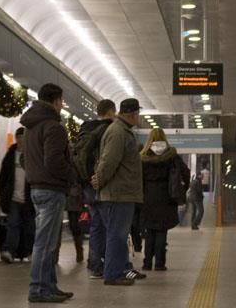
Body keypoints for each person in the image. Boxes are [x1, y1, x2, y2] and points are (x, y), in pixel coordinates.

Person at [21, 83, 75, 303]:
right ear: (55, 101)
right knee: (45, 242)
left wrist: (36, 174)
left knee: (47, 241)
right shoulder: (53, 126)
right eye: (61, 101)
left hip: (36, 188)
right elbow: (53, 160)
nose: (62, 105)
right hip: (51, 189)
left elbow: (24, 159)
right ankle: (38, 289)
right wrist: (71, 174)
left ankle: (50, 285)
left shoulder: (29, 126)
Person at [91, 98, 143, 286]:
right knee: (116, 234)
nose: (138, 117)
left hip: (121, 192)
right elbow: (109, 161)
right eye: (138, 114)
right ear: (133, 114)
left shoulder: (121, 130)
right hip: (118, 193)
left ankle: (119, 271)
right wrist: (100, 180)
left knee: (119, 234)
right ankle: (113, 274)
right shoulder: (118, 132)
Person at [140, 128, 190, 271]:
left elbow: (137, 179)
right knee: (162, 231)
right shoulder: (172, 156)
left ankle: (147, 263)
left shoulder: (144, 156)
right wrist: (181, 191)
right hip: (167, 197)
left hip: (148, 197)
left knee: (150, 231)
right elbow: (185, 173)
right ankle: (160, 264)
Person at [79, 99, 116, 279]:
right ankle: (111, 265)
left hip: (87, 185)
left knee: (96, 226)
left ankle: (94, 265)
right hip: (102, 184)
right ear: (111, 112)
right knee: (111, 226)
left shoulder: (85, 128)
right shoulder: (108, 129)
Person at [0, 127, 35, 263]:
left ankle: (30, 252)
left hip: (28, 198)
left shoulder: (32, 155)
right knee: (13, 225)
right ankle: (9, 252)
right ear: (16, 138)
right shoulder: (10, 155)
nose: (21, 140)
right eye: (19, 137)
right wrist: (3, 196)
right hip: (13, 198)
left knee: (30, 227)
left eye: (24, 137)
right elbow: (3, 178)